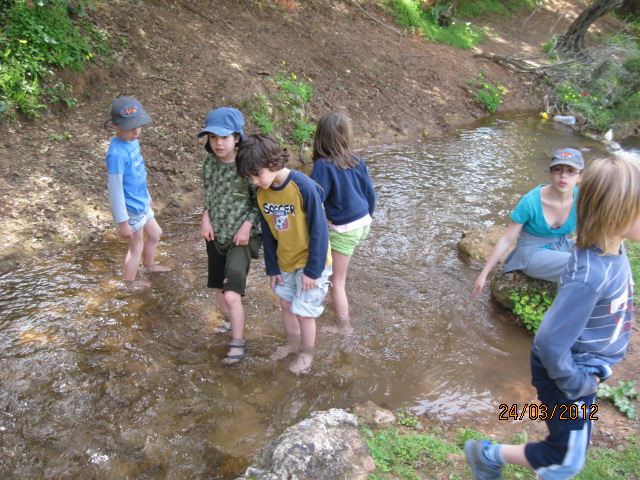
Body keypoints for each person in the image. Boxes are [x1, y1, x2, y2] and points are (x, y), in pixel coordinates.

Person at [465, 153, 639, 480]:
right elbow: (548, 340)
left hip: (586, 369)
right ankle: (487, 454)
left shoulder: (612, 249)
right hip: (573, 374)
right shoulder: (590, 273)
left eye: (571, 172)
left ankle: (492, 455)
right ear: (618, 214)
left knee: (568, 447)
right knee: (566, 460)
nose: (563, 175)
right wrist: (576, 383)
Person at [236, 134, 332, 375]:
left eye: (257, 174)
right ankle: (292, 343)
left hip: (312, 261)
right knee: (286, 304)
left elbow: (320, 231)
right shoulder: (262, 194)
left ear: (274, 163)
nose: (255, 181)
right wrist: (273, 269)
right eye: (250, 177)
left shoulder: (304, 187)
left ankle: (307, 353)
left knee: (304, 310)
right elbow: (268, 234)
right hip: (285, 260)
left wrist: (313, 271)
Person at [472, 148, 584, 298]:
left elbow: (586, 231)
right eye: (558, 170)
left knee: (600, 251)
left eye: (571, 171)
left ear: (580, 177)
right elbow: (507, 238)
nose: (563, 176)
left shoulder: (582, 199)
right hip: (532, 253)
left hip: (561, 246)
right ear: (551, 173)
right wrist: (483, 275)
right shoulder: (530, 201)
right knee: (581, 262)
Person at [198, 107, 262, 366]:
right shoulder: (208, 163)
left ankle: (238, 342)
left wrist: (247, 226)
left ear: (237, 137)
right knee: (217, 287)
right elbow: (208, 195)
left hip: (242, 237)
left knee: (232, 293)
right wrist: (205, 218)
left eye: (223, 137)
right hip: (215, 233)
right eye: (212, 137)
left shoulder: (246, 166)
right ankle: (227, 321)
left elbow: (260, 202)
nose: (218, 143)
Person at [310, 112, 376, 335]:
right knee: (335, 275)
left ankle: (344, 327)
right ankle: (336, 304)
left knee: (336, 281)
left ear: (320, 137)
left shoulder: (323, 165)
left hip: (345, 227)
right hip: (363, 221)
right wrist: (368, 218)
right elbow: (370, 194)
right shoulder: (357, 160)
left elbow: (316, 200)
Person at [104, 96, 169, 289]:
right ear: (115, 125)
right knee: (136, 248)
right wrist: (122, 222)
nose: (136, 131)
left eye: (138, 126)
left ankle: (149, 266)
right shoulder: (116, 154)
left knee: (156, 234)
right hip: (131, 209)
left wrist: (147, 196)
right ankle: (129, 284)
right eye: (130, 127)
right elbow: (115, 191)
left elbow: (139, 173)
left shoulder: (133, 142)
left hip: (141, 202)